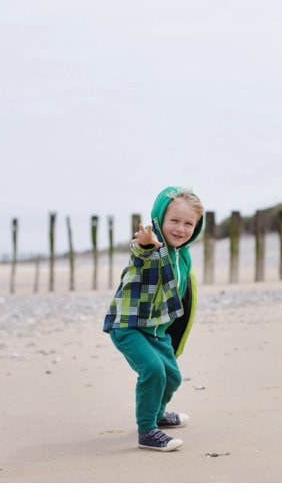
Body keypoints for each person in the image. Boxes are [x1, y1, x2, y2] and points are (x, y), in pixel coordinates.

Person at [103, 186, 204, 452]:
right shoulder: (153, 246)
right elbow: (142, 253)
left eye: (188, 223)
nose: (180, 229)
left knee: (172, 377)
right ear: (159, 220)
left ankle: (158, 413)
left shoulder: (183, 256)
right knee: (153, 371)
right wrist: (146, 244)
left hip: (159, 329)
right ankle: (147, 430)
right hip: (130, 326)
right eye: (174, 221)